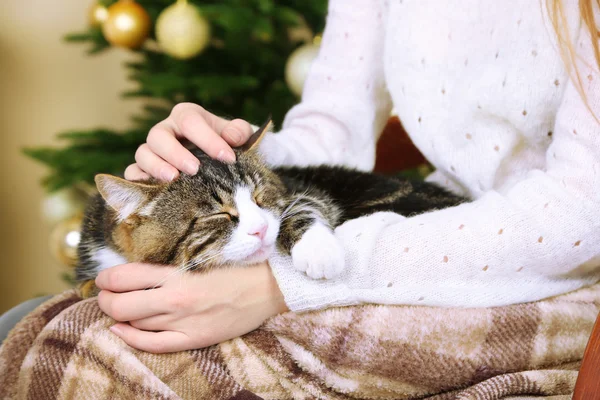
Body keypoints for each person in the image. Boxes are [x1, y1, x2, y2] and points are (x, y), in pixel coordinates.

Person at [94, 0, 600, 353]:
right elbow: (333, 135)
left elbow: (581, 212)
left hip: (567, 281)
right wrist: (217, 154)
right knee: (46, 328)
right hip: (424, 234)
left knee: (96, 359)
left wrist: (283, 284)